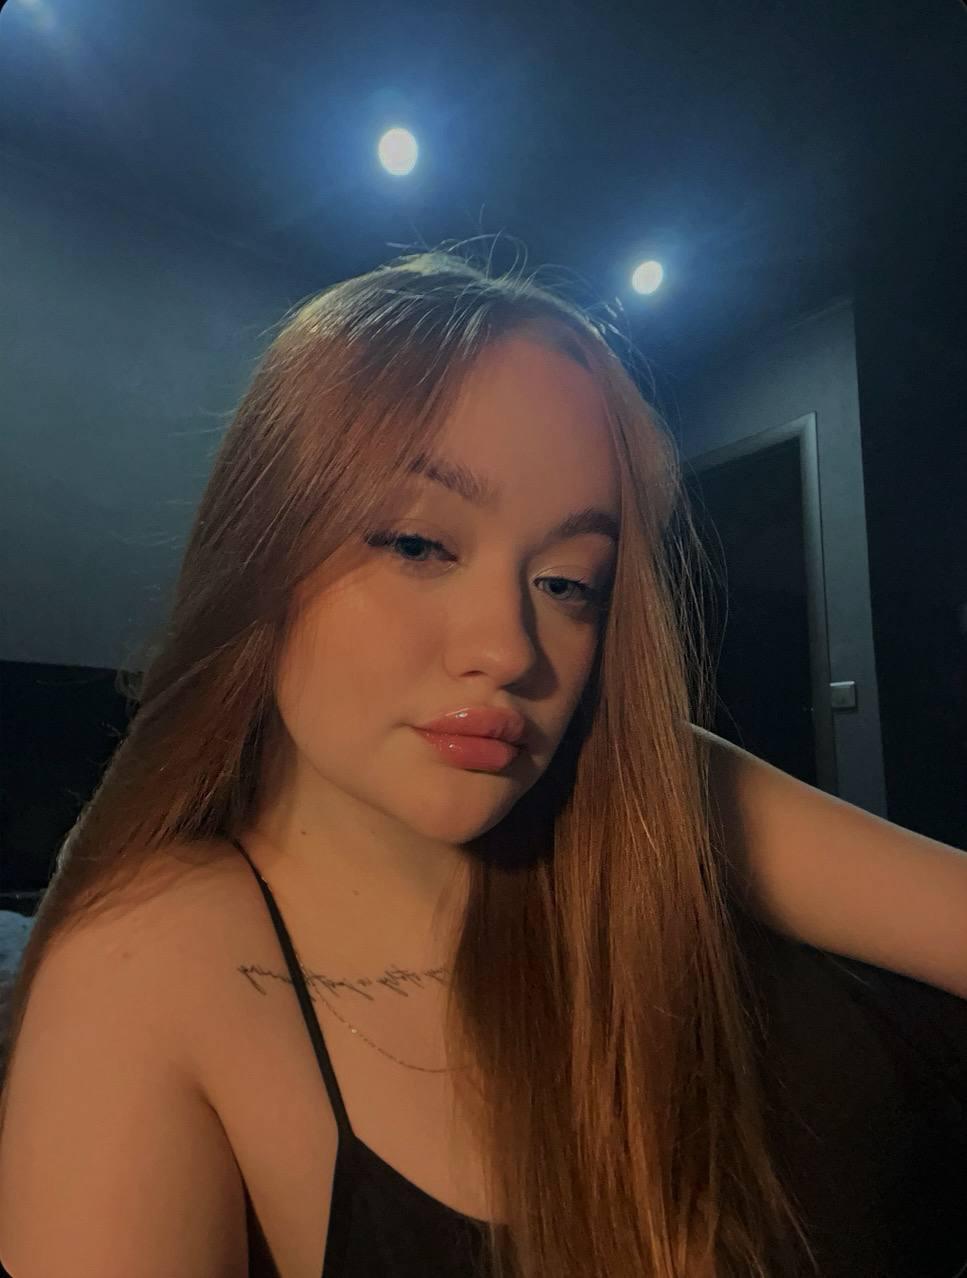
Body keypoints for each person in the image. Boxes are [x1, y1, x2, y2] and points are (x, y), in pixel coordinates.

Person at [0, 248, 965, 1278]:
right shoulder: (142, 965)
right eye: (418, 545)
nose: (508, 650)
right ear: (263, 552)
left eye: (567, 583)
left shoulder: (647, 795)